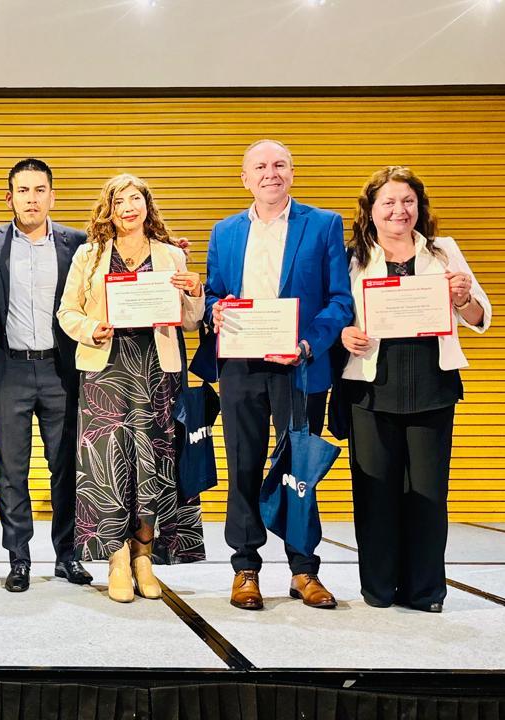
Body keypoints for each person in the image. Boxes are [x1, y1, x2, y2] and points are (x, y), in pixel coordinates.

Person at [204, 139, 353, 611]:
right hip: (240, 365)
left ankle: (304, 570)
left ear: (292, 173)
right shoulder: (224, 231)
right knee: (243, 465)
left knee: (298, 470)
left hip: (300, 365)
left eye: (280, 165)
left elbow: (340, 300)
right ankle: (245, 567)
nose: (271, 173)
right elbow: (212, 294)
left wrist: (307, 343)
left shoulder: (324, 225)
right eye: (260, 167)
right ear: (245, 179)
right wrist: (215, 310)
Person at [339, 166, 489, 614]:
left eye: (407, 201)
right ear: (371, 210)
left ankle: (426, 590)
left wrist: (462, 299)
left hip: (432, 385)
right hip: (370, 385)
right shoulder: (351, 256)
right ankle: (379, 589)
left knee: (427, 495)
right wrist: (344, 335)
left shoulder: (443, 252)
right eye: (388, 202)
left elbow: (480, 317)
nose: (399, 210)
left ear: (419, 207)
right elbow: (335, 314)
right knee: (375, 494)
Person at [56, 173, 205, 603]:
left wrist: (195, 290)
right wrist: (90, 329)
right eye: (119, 200)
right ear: (108, 209)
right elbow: (67, 312)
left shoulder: (171, 255)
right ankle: (117, 558)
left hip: (159, 372)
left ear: (147, 205)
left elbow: (192, 321)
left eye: (135, 198)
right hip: (106, 372)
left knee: (153, 465)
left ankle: (145, 555)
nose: (128, 207)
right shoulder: (90, 254)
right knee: (107, 465)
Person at [0, 159, 91, 592]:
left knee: (66, 468)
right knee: (12, 470)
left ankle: (68, 556)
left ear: (52, 196)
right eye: (22, 191)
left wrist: (168, 248)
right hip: (8, 370)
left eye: (39, 190)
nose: (31, 198)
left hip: (61, 370)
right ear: (9, 198)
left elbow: (120, 265)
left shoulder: (77, 244)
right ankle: (19, 559)